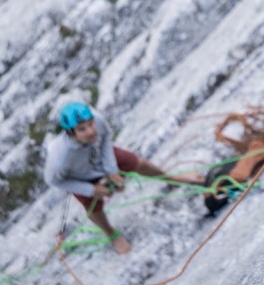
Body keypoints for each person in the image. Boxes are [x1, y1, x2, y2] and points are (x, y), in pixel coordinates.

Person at [44, 102, 204, 254]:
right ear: (70, 133)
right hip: (78, 176)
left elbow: (105, 136)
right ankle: (111, 234)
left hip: (100, 157)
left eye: (90, 124)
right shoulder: (59, 157)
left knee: (138, 163)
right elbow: (54, 180)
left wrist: (112, 170)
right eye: (82, 129)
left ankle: (171, 178)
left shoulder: (97, 119)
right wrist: (91, 189)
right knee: (93, 207)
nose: (91, 131)